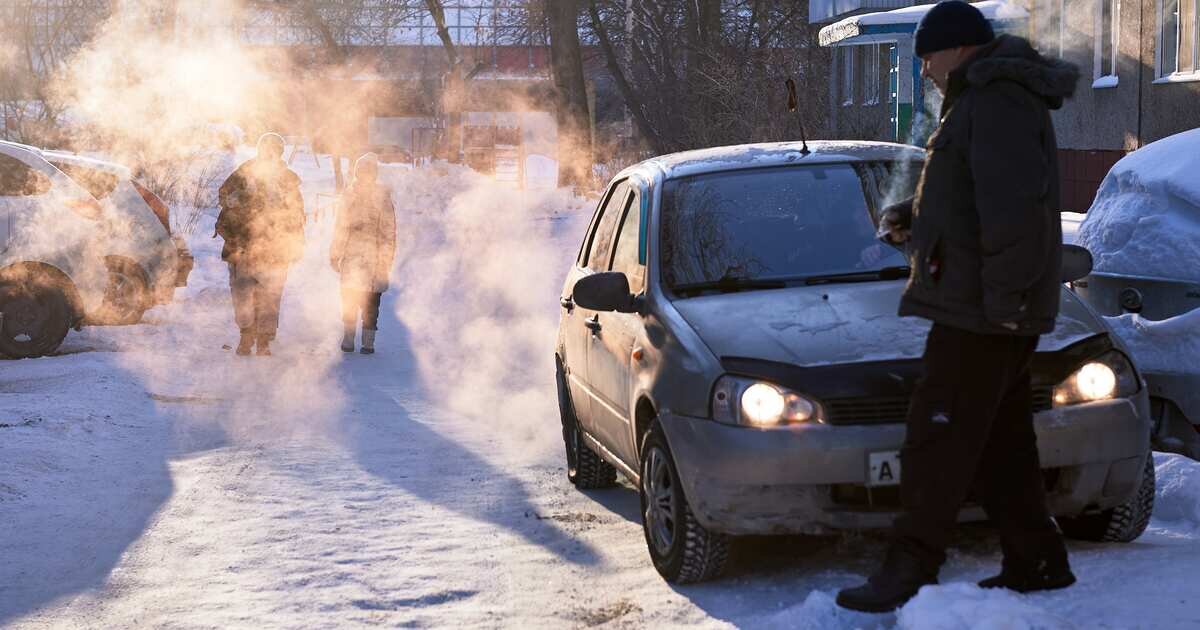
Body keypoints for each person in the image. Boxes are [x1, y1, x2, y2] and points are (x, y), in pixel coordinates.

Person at [836, 1, 1080, 613]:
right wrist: (916, 224)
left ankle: (909, 569)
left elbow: (1016, 212)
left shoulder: (994, 100)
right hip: (987, 306)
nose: (925, 71)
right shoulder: (984, 98)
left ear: (957, 49)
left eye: (927, 57)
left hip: (983, 313)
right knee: (1001, 441)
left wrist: (1003, 306)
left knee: (935, 437)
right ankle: (1037, 558)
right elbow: (976, 204)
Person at [216, 133, 305, 357]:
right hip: (243, 246)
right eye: (265, 148)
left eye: (274, 149)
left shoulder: (288, 179)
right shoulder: (244, 173)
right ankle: (246, 337)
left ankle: (264, 340)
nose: (269, 153)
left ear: (280, 152)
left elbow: (297, 215)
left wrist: (295, 244)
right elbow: (224, 195)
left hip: (276, 248)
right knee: (243, 294)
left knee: (270, 295)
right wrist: (245, 200)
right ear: (259, 150)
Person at [330, 153, 396, 355]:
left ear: (374, 174)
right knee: (349, 297)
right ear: (357, 173)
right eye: (362, 171)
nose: (365, 175)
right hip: (351, 255)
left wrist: (386, 258)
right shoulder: (348, 196)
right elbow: (340, 226)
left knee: (371, 301)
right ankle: (348, 337)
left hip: (375, 257)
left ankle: (368, 341)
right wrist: (335, 253)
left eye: (369, 171)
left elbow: (389, 231)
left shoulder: (383, 199)